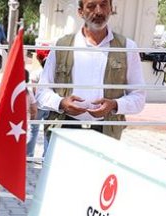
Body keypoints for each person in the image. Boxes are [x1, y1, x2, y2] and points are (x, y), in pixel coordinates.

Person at [36, 0, 145, 141]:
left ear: (111, 9)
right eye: (91, 6)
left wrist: (115, 105)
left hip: (106, 133)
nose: (98, 11)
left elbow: (139, 97)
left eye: (103, 5)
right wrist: (61, 103)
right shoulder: (62, 46)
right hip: (64, 128)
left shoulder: (127, 48)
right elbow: (42, 92)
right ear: (80, 12)